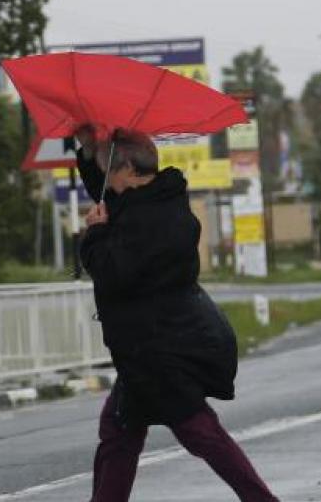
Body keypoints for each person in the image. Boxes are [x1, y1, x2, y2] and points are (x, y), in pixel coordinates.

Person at [74, 126, 279, 502]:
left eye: (110, 172)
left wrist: (95, 235)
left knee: (200, 434)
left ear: (130, 169)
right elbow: (103, 193)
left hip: (161, 351)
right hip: (148, 348)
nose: (108, 183)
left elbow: (113, 273)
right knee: (120, 434)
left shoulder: (153, 220)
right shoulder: (152, 200)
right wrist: (89, 149)